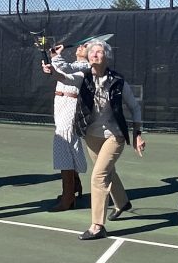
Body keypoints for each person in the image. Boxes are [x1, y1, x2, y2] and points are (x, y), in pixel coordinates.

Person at [50, 40, 146, 240]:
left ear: (106, 56)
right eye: (92, 51)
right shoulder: (83, 76)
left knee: (98, 176)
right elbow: (63, 75)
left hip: (115, 135)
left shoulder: (118, 80)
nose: (94, 54)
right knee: (107, 171)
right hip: (92, 135)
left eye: (99, 51)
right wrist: (52, 68)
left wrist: (137, 133)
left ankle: (97, 225)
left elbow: (135, 107)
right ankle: (122, 202)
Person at [41, 40, 90, 211]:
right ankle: (74, 186)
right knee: (66, 149)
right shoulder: (75, 64)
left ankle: (68, 198)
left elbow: (66, 71)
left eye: (85, 46)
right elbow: (60, 76)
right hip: (60, 104)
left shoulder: (86, 66)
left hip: (71, 107)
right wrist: (51, 68)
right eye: (81, 45)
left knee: (64, 149)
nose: (80, 46)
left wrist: (55, 56)